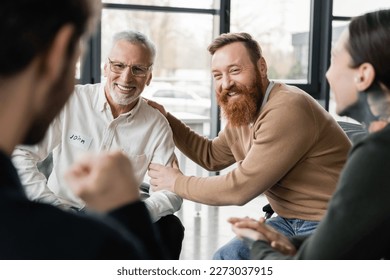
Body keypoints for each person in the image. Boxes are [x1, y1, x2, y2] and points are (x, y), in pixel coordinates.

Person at [146, 32, 351, 260]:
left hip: (331, 222)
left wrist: (176, 182)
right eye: (217, 75)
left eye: (235, 70)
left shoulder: (286, 108)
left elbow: (240, 188)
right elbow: (211, 155)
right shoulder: (246, 110)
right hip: (287, 220)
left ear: (262, 67)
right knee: (226, 258)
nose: (226, 84)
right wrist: (166, 119)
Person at [0, 0, 167, 259]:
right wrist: (55, 210)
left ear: (149, 75)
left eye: (137, 69)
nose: (126, 78)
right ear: (59, 52)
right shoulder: (98, 244)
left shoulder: (157, 123)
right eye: (118, 66)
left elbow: (171, 189)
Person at [230, 9, 390, 260]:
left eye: (334, 60)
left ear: (364, 75)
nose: (327, 74)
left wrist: (259, 243)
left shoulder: (378, 154)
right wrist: (292, 242)